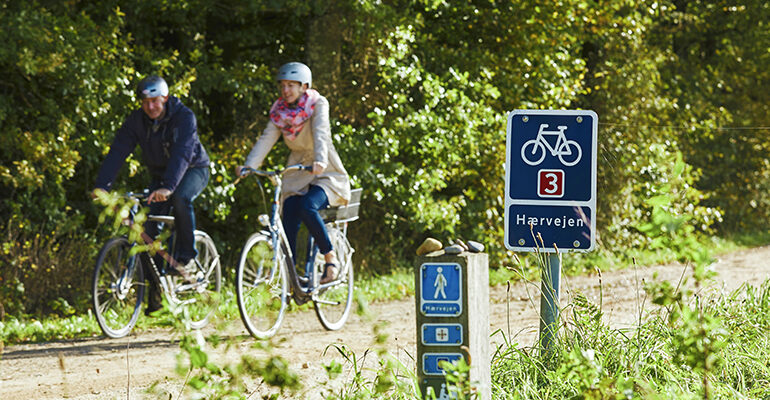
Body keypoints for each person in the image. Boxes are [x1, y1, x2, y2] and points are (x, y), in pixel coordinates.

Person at [93, 75, 210, 315]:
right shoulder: (137, 121)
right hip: (161, 176)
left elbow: (183, 153)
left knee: (180, 199)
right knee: (146, 229)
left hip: (193, 169)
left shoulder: (184, 117)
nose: (150, 107)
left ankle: (187, 257)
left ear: (165, 99)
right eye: (145, 102)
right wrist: (102, 186)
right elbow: (118, 151)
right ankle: (155, 297)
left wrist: (168, 186)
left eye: (155, 101)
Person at [236, 62, 351, 284]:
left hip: (324, 169)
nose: (285, 90)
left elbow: (321, 132)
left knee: (308, 206)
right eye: (283, 85)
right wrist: (249, 166)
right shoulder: (279, 112)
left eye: (291, 85)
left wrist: (320, 160)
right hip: (298, 170)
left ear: (304, 86)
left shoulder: (318, 104)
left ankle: (330, 258)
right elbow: (266, 139)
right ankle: (290, 275)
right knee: (288, 209)